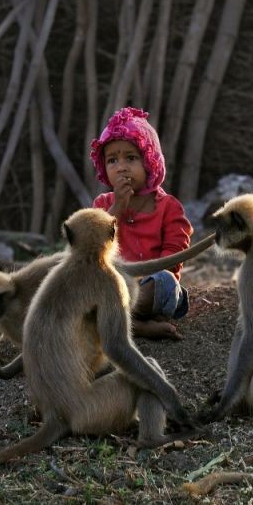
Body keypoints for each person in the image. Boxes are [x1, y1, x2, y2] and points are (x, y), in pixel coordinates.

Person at [90, 107, 193, 340]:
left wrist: (145, 283)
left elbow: (175, 256)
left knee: (166, 282)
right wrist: (116, 209)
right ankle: (135, 325)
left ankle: (120, 321)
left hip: (151, 287)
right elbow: (92, 247)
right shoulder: (103, 204)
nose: (122, 167)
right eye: (112, 160)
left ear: (149, 162)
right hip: (113, 287)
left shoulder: (169, 207)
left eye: (131, 158)